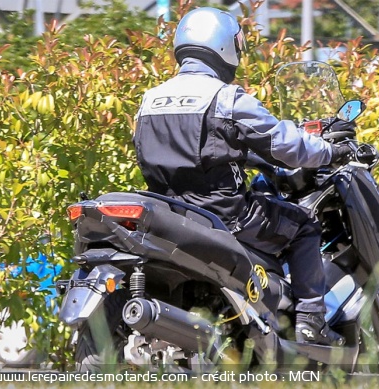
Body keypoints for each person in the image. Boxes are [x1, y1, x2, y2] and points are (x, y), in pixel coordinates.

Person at [133, 7, 351, 346]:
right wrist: (330, 152)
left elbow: (188, 152)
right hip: (225, 216)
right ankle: (311, 321)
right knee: (304, 227)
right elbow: (286, 143)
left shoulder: (149, 100)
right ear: (223, 46)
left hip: (170, 213)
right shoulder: (225, 98)